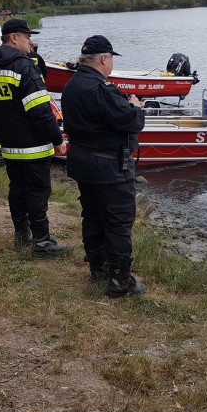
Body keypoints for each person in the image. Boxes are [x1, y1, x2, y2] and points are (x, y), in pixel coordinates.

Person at [60, 35, 146, 298]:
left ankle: (99, 270)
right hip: (109, 168)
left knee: (93, 217)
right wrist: (135, 106)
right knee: (118, 223)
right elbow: (131, 122)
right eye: (110, 61)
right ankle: (120, 282)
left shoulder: (72, 85)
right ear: (104, 59)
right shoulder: (100, 89)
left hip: (84, 164)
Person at [0, 19, 67, 257]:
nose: (31, 41)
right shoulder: (25, 67)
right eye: (27, 37)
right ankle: (42, 242)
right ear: (14, 38)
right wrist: (58, 139)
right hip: (34, 145)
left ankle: (22, 236)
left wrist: (1, 134)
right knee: (38, 191)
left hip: (9, 145)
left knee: (17, 189)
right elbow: (41, 110)